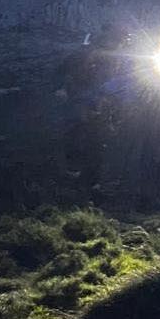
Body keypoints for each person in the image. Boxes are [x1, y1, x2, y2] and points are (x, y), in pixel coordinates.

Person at [54, 24, 133, 200]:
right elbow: (64, 71)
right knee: (79, 138)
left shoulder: (121, 60)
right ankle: (77, 178)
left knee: (95, 143)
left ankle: (88, 183)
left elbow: (126, 83)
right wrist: (63, 89)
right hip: (83, 103)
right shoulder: (87, 54)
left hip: (99, 105)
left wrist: (120, 104)